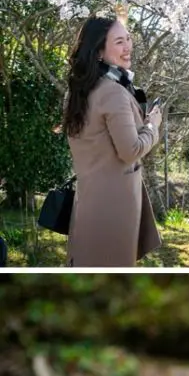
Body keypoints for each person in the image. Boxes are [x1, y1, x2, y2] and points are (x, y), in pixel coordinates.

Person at [62, 16, 162, 266]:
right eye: (119, 42)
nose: (128, 47)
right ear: (98, 51)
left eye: (128, 39)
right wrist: (153, 125)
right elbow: (131, 150)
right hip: (115, 208)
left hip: (87, 202)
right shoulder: (113, 92)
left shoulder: (76, 92)